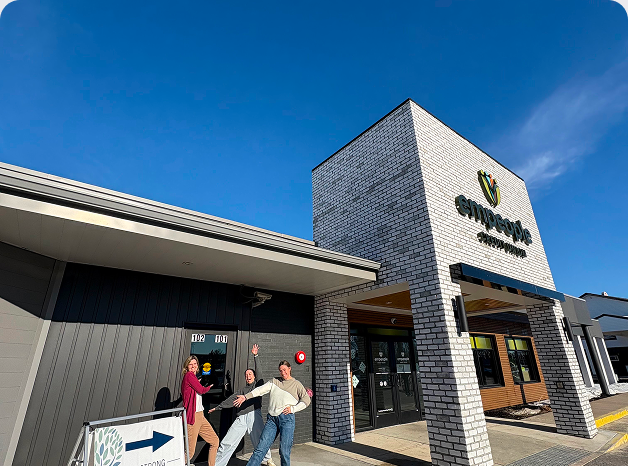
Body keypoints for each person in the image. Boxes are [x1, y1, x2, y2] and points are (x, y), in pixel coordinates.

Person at [234, 360, 311, 466]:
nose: (283, 372)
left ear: (290, 369)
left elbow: (306, 400)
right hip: (272, 420)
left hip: (287, 419)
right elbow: (259, 390)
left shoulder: (296, 384)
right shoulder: (274, 381)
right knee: (260, 448)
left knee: (284, 451)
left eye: (284, 370)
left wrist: (293, 409)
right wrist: (245, 396)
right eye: (280, 370)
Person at [210, 344, 276, 466]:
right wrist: (217, 407)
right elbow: (230, 399)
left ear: (254, 376)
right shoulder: (242, 390)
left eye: (250, 374)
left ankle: (267, 460)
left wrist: (255, 355)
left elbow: (260, 373)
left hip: (254, 414)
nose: (248, 376)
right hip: (241, 417)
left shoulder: (258, 386)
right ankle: (218, 464)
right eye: (246, 375)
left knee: (260, 440)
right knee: (227, 442)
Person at [181, 355, 220, 466]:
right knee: (190, 452)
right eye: (190, 364)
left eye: (195, 364)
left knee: (214, 441)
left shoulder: (192, 377)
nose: (193, 366)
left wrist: (198, 382)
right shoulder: (189, 375)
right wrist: (210, 386)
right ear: (187, 366)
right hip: (193, 417)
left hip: (200, 415)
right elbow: (201, 390)